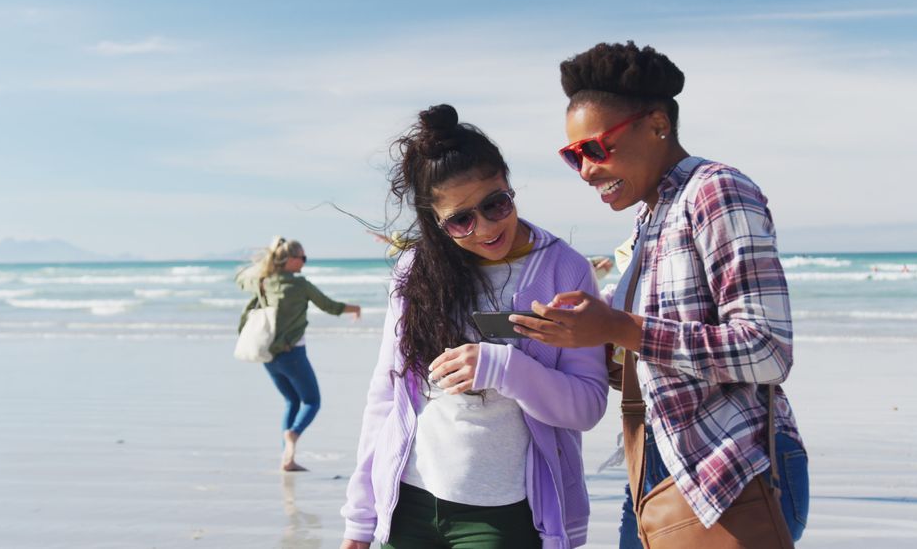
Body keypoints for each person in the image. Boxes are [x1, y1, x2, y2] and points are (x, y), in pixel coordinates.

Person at [509, 42, 810, 546]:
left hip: (734, 468)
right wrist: (586, 342)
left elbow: (767, 348)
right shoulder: (649, 220)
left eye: (595, 148)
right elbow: (655, 359)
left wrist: (618, 328)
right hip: (658, 467)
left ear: (656, 125)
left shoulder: (715, 191)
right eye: (572, 156)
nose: (586, 170)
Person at [340, 104, 608, 549]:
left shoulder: (565, 271)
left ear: (508, 181)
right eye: (461, 220)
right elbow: (385, 397)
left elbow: (587, 406)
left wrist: (504, 367)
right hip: (407, 501)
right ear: (437, 223)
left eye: (495, 204)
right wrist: (360, 520)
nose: (485, 227)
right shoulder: (416, 269)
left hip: (504, 514)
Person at [236, 237, 361, 472]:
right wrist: (355, 308)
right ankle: (293, 435)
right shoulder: (300, 285)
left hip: (269, 356)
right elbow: (328, 306)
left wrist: (266, 263)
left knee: (291, 401)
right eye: (302, 257)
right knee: (312, 401)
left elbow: (240, 278)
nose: (304, 262)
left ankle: (287, 458)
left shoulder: (264, 281)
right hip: (293, 354)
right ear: (290, 259)